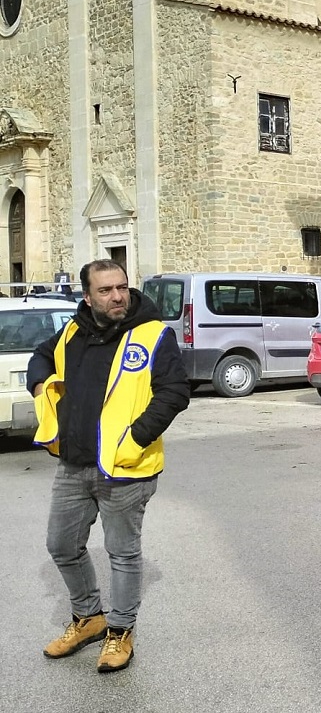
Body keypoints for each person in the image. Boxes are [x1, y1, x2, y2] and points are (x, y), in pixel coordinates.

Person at [28, 259, 190, 673]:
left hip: (126, 467)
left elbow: (173, 393)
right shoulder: (73, 331)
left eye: (121, 287)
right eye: (105, 290)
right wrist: (41, 385)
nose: (117, 296)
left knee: (122, 552)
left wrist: (134, 439)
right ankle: (88, 618)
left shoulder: (153, 334)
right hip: (74, 463)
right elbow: (41, 357)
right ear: (87, 296)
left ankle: (120, 630)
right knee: (61, 546)